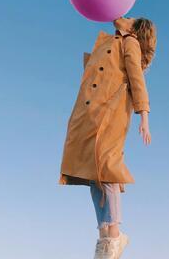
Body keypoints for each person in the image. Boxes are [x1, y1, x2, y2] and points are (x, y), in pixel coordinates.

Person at [58, 16, 157, 259]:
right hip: (93, 114)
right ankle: (105, 236)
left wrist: (144, 116)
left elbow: (137, 79)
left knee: (108, 168)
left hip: (112, 113)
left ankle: (114, 235)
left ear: (136, 28)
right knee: (95, 174)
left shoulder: (129, 42)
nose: (126, 16)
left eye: (131, 18)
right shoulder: (109, 42)